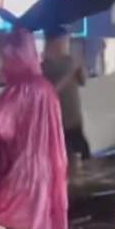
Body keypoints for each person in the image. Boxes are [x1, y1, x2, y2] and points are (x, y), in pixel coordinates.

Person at [0, 27, 68, 229]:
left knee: (4, 219)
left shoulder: (22, 89)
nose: (1, 64)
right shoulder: (45, 87)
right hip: (49, 168)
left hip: (24, 170)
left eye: (3, 57)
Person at [41, 25, 90, 161]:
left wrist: (81, 69)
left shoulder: (69, 61)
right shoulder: (44, 67)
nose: (66, 44)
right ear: (54, 42)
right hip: (59, 125)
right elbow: (49, 93)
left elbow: (83, 81)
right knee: (67, 163)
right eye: (64, 41)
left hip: (75, 122)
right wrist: (69, 75)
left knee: (84, 158)